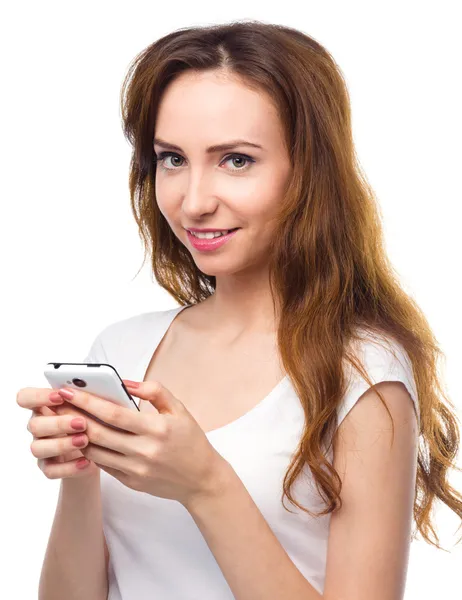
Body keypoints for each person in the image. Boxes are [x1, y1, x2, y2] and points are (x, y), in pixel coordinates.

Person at [18, 20, 462, 600]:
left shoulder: (363, 374)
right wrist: (81, 474)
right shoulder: (121, 352)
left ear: (308, 171)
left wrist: (206, 485)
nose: (194, 201)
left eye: (236, 161)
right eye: (172, 159)